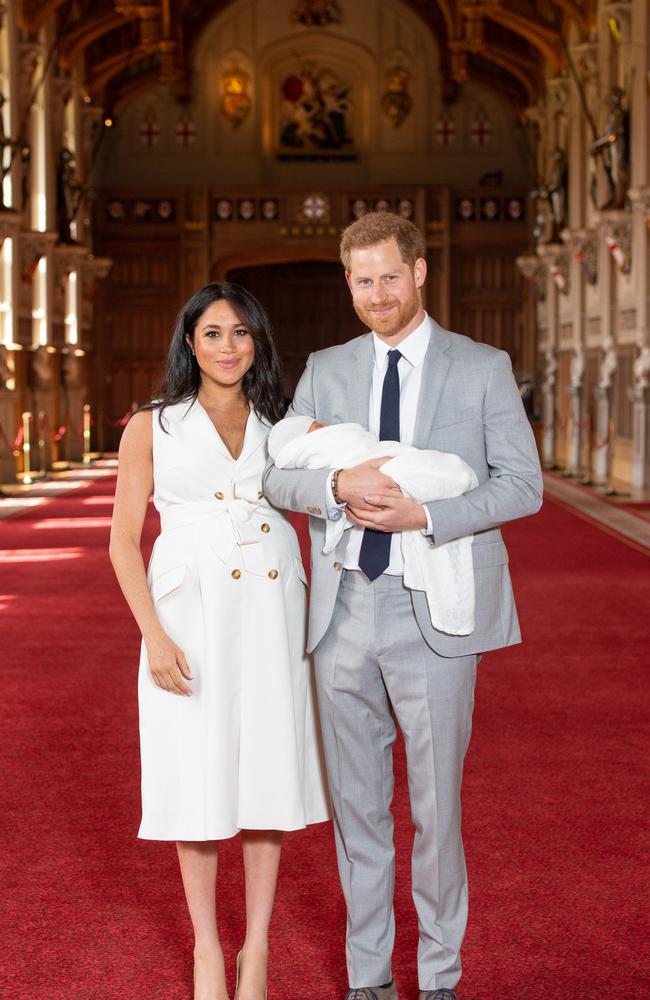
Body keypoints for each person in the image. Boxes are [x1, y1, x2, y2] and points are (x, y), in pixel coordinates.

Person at [263, 213, 543, 1000]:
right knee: (358, 812)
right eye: (362, 281)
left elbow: (523, 485)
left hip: (437, 611)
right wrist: (334, 485)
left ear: (419, 273)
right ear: (347, 284)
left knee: (435, 811)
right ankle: (369, 980)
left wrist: (427, 515)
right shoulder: (325, 367)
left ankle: (442, 978)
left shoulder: (482, 366)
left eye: (390, 276)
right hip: (344, 611)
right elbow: (279, 473)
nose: (377, 294)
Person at [109, 282, 330, 1000]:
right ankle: (208, 947)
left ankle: (256, 948)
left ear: (258, 343)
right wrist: (154, 636)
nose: (228, 346)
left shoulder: (287, 422)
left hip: (272, 605)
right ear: (188, 343)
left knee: (267, 773)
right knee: (196, 775)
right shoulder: (153, 425)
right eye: (212, 333)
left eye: (241, 333)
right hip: (190, 615)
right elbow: (120, 543)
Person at [267, 415, 478, 636]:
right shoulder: (316, 389)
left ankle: (451, 475)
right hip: (343, 594)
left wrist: (426, 516)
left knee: (439, 472)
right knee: (430, 474)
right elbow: (274, 480)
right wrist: (339, 484)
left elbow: (516, 482)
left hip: (419, 582)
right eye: (319, 428)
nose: (327, 427)